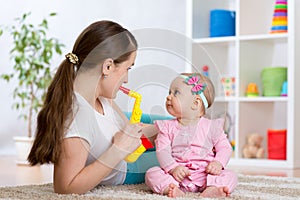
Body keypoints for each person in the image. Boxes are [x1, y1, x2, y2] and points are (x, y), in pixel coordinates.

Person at [27, 20, 157, 194]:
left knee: (180, 126)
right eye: (128, 68)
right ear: (108, 66)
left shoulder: (101, 97)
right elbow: (64, 187)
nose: (126, 79)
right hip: (126, 167)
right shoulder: (78, 116)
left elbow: (131, 129)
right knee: (181, 157)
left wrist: (166, 128)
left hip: (127, 140)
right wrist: (117, 151)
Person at [145, 73, 238, 198]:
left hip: (206, 174)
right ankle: (171, 188)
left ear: (196, 103)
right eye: (169, 92)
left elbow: (225, 148)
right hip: (178, 176)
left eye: (176, 93)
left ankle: (213, 188)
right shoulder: (166, 127)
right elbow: (162, 151)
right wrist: (173, 168)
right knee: (152, 173)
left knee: (231, 175)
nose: (168, 97)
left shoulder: (212, 127)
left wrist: (218, 163)